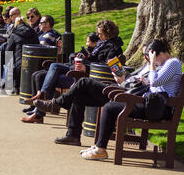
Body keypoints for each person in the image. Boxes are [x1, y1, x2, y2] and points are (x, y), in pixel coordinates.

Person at [44, 39, 181, 159]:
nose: (152, 62)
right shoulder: (164, 65)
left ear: (158, 53)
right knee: (80, 96)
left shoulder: (173, 63)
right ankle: (75, 135)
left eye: (151, 57)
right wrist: (123, 80)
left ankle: (100, 149)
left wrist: (151, 64)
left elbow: (155, 82)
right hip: (146, 101)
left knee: (103, 100)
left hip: (155, 107)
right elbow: (152, 83)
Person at [32, 45, 153, 146]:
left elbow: (145, 86)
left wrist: (125, 81)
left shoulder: (156, 68)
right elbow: (131, 82)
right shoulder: (146, 66)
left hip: (124, 95)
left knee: (84, 82)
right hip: (120, 88)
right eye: (144, 54)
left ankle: (56, 103)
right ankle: (73, 135)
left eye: (146, 54)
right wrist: (121, 77)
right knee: (79, 96)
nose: (145, 57)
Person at [22, 19, 124, 123]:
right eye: (97, 33)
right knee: (40, 75)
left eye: (100, 33)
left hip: (86, 77)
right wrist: (83, 57)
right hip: (78, 70)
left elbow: (106, 67)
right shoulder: (100, 44)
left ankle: (41, 105)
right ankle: (39, 109)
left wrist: (86, 66)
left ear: (108, 33)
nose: (98, 36)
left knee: (51, 71)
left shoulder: (114, 48)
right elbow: (87, 57)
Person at [0, 7, 39, 93]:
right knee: (2, 49)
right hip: (33, 60)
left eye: (11, 15)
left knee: (0, 55)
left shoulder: (15, 33)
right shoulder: (33, 32)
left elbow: (8, 51)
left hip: (19, 61)